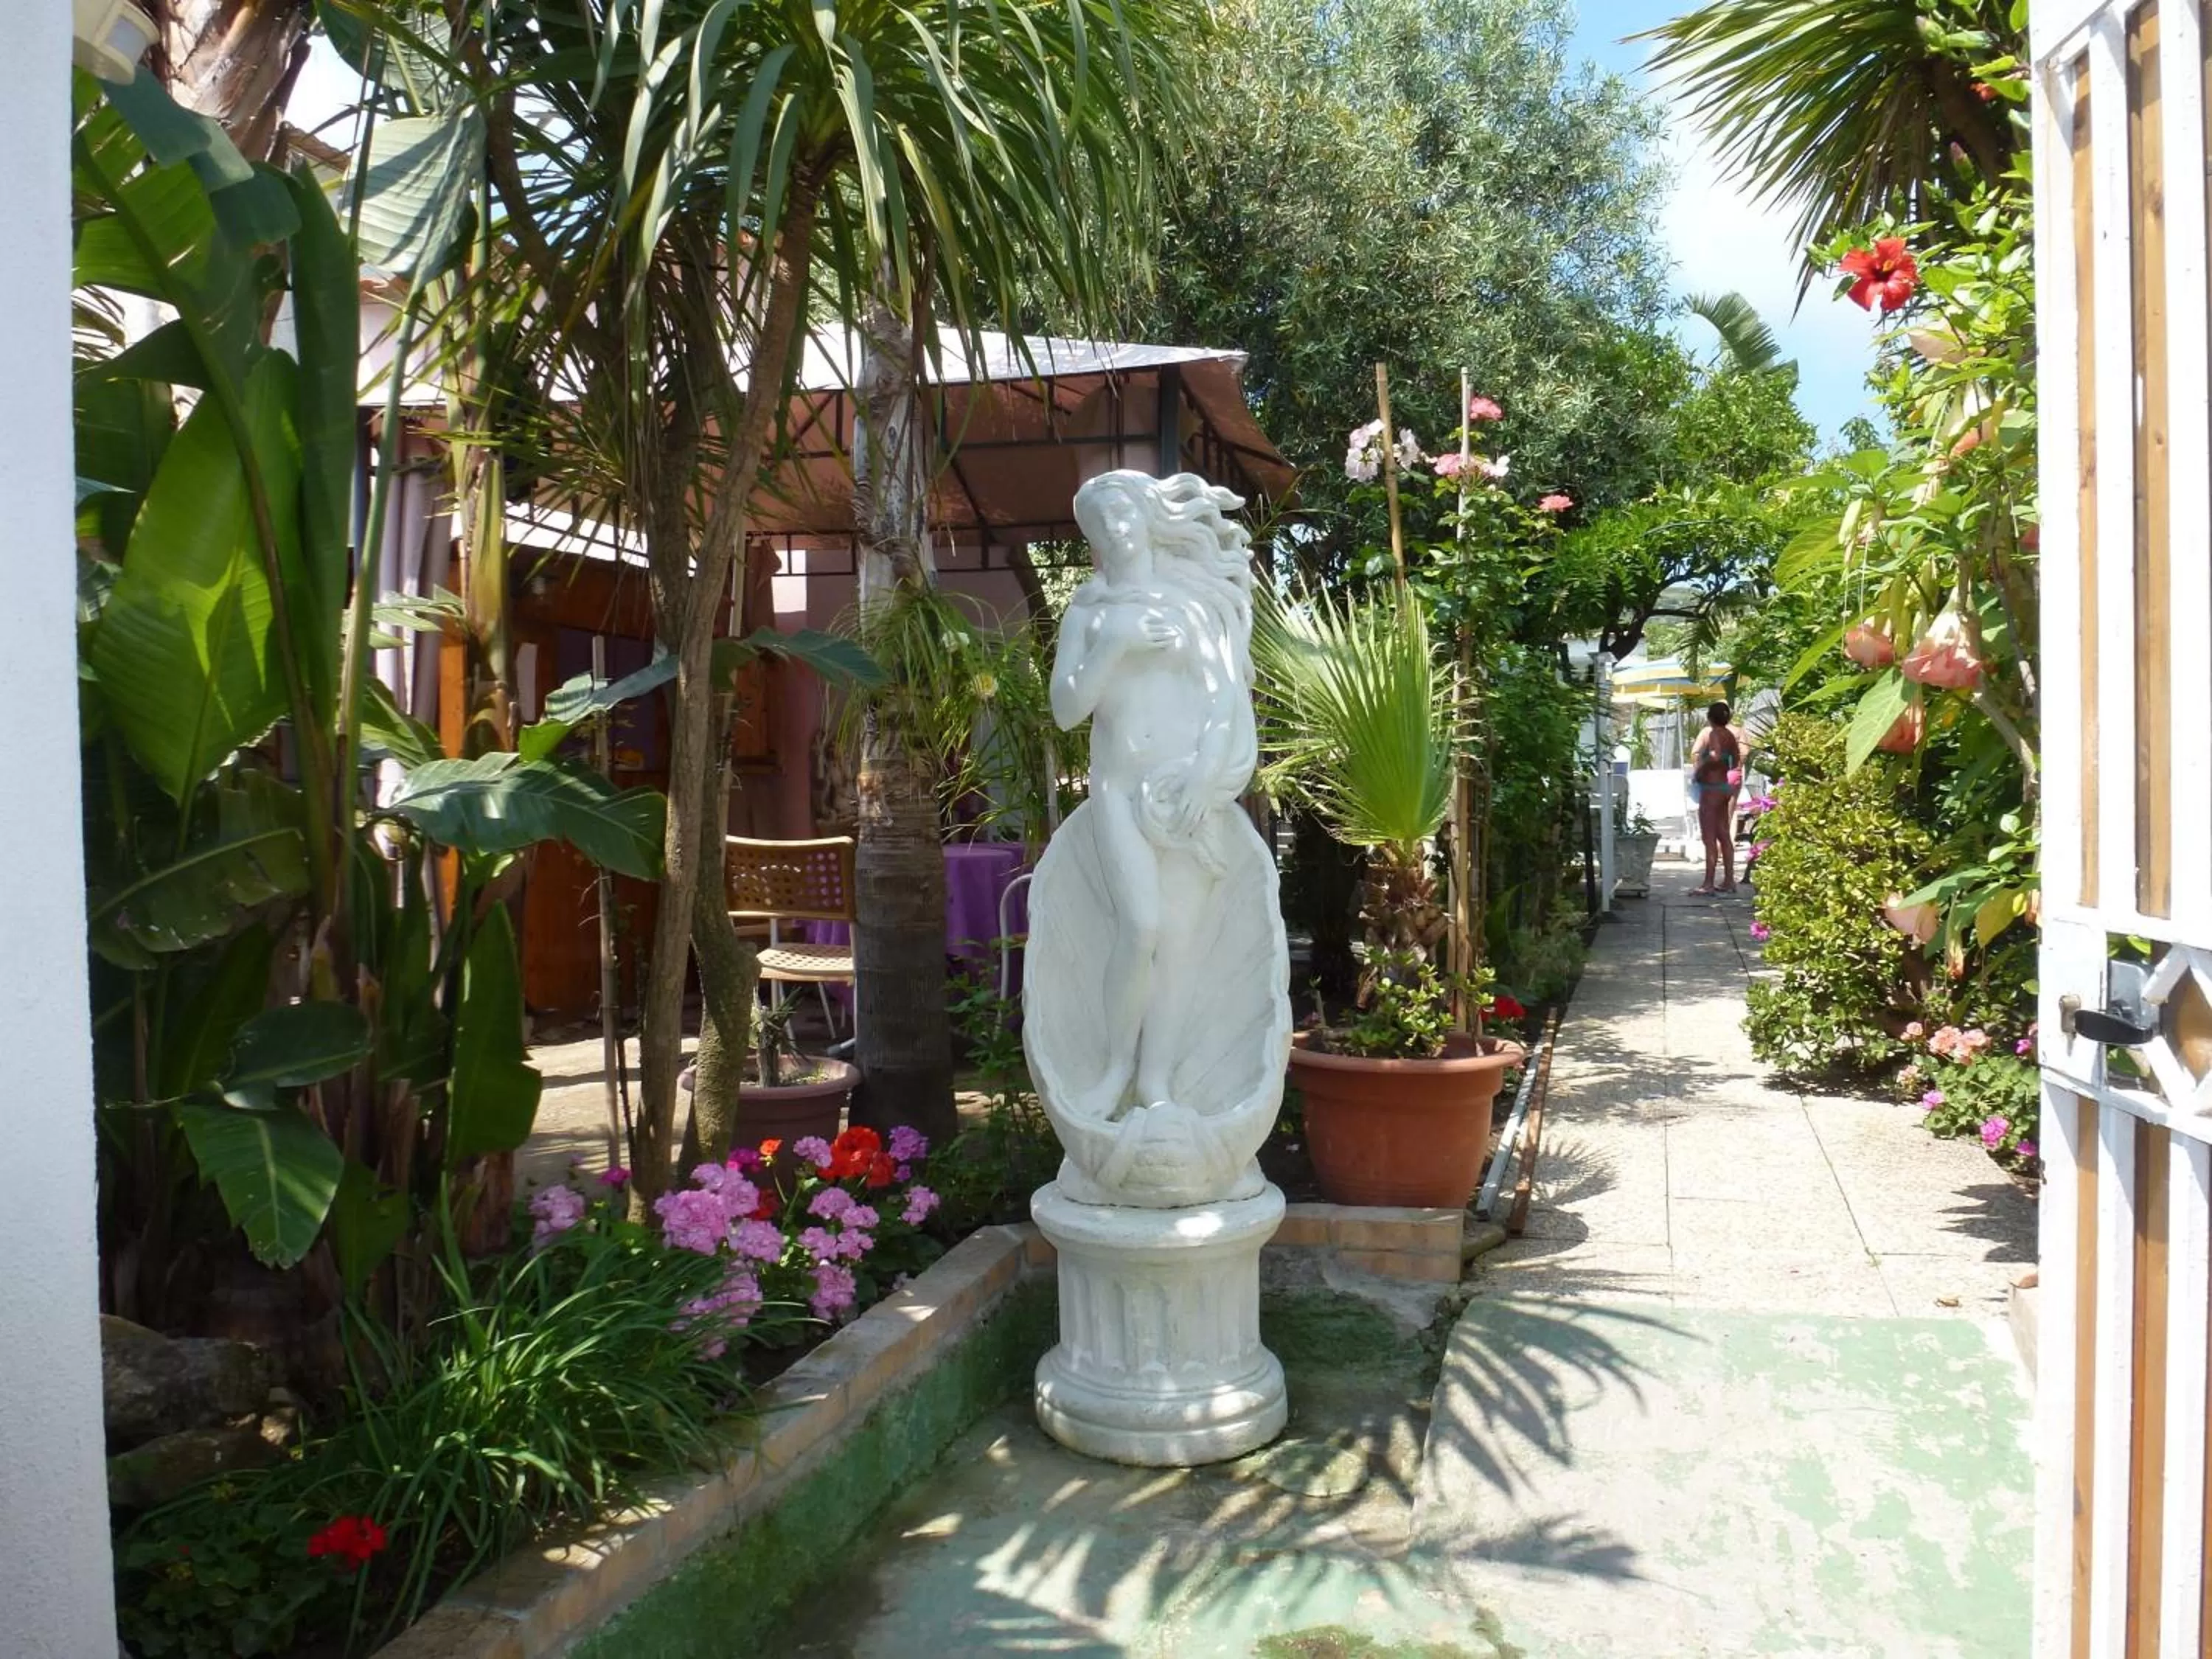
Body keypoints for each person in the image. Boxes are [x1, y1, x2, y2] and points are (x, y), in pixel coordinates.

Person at [1688, 700, 1744, 896]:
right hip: (1724, 787)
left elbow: (1714, 755)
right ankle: (1729, 880)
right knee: (1724, 834)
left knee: (1709, 836)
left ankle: (1708, 883)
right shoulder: (1730, 735)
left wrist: (1700, 769)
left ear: (1710, 718)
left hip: (1711, 788)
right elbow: (1736, 760)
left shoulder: (1714, 734)